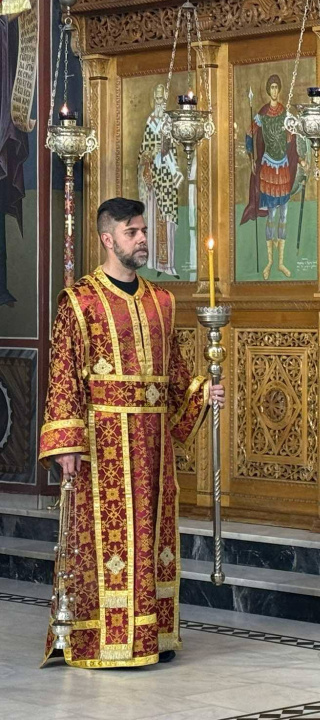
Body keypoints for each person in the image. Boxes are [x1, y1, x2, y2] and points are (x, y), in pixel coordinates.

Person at [39, 197, 224, 667]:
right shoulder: (79, 301)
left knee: (151, 536)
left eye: (143, 231)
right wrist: (66, 443)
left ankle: (152, 636)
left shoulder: (161, 302)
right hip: (102, 443)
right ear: (108, 239)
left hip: (153, 442)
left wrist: (203, 392)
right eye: (132, 232)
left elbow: (175, 374)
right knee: (106, 541)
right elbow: (63, 375)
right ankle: (103, 640)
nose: (142, 239)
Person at [240, 74, 305, 279]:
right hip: (268, 168)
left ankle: (281, 262)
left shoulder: (285, 114)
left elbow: (294, 141)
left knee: (284, 216)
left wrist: (301, 159)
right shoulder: (262, 114)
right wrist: (251, 157)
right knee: (272, 216)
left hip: (283, 168)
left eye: (277, 87)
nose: (275, 91)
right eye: (272, 87)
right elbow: (249, 134)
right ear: (269, 90)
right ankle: (269, 262)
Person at [138, 84, 184, 277]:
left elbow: (174, 150)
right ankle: (155, 263)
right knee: (154, 219)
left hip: (167, 180)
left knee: (168, 219)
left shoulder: (169, 122)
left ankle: (168, 265)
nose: (160, 102)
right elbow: (143, 152)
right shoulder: (150, 122)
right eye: (157, 99)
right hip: (154, 180)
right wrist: (151, 153)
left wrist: (173, 168)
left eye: (162, 99)